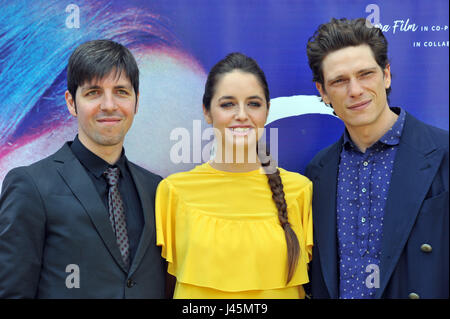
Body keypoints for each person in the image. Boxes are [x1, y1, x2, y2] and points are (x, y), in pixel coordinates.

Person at [0, 40, 166, 298]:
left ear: (136, 102)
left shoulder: (157, 189)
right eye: (94, 93)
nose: (109, 105)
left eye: (121, 92)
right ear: (71, 102)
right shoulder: (30, 186)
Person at [304, 18, 449, 299]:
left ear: (386, 75)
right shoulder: (317, 172)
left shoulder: (444, 153)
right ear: (322, 92)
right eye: (339, 81)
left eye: (365, 74)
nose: (355, 90)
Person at [155, 52, 313, 298]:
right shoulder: (173, 192)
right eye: (228, 104)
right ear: (207, 112)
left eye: (253, 104)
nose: (241, 115)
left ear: (267, 111)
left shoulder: (300, 191)